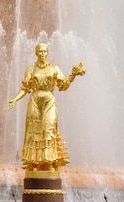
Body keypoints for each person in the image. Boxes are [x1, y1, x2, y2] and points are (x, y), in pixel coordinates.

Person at [8, 43, 85, 172]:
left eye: (45, 51)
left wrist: (73, 75)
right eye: (40, 51)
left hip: (49, 100)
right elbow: (24, 88)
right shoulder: (31, 70)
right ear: (36, 53)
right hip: (35, 100)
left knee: (48, 129)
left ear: (47, 53)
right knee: (34, 131)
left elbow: (63, 85)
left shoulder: (54, 69)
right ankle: (34, 163)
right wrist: (14, 99)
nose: (43, 53)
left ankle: (49, 162)